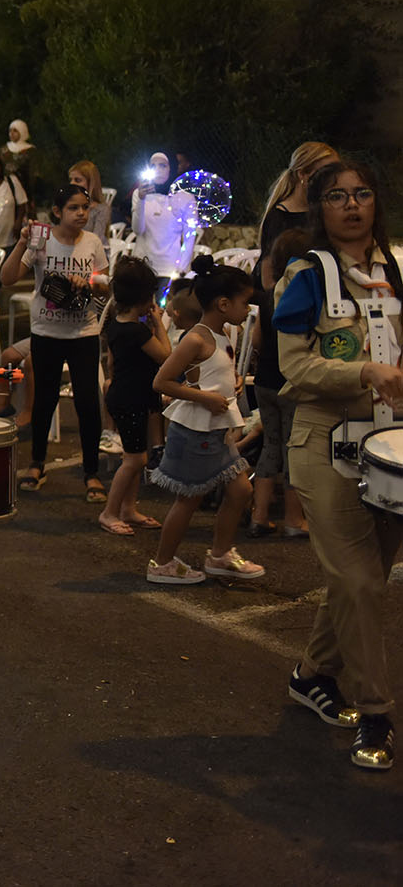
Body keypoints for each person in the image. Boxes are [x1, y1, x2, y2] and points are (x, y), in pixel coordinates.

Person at [272, 160, 401, 770]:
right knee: (360, 580)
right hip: (324, 442)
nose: (352, 206)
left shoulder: (398, 267)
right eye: (338, 197)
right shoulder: (304, 275)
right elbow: (294, 370)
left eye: (363, 194)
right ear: (319, 208)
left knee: (357, 576)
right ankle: (375, 713)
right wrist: (364, 371)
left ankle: (310, 674)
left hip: (393, 446)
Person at [145, 263, 264, 584]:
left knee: (240, 490)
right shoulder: (195, 339)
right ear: (223, 304)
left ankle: (220, 554)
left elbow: (214, 373)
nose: (248, 309)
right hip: (196, 432)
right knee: (189, 499)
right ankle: (163, 562)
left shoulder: (222, 333)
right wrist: (206, 399)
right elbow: (162, 382)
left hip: (215, 432)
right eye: (244, 302)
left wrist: (233, 381)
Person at [2, 185, 110, 497]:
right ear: (58, 212)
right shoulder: (41, 240)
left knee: (88, 403)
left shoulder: (92, 243)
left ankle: (92, 472)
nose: (81, 214)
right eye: (74, 208)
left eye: (85, 208)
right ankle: (37, 464)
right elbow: (8, 279)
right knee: (44, 399)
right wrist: (22, 244)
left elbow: (104, 287)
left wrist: (87, 281)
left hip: (83, 333)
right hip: (46, 332)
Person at [246, 229, 310, 539]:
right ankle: (293, 520)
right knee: (294, 450)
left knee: (271, 445)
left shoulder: (268, 296)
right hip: (292, 384)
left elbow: (257, 340)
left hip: (265, 382)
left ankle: (259, 516)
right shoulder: (306, 293)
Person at [99, 258, 169, 535]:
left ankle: (128, 509)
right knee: (135, 460)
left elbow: (114, 363)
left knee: (136, 453)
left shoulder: (116, 323)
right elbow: (166, 356)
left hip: (127, 396)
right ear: (145, 298)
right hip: (130, 399)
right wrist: (159, 324)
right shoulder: (137, 331)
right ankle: (109, 512)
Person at [258, 141, 338, 289]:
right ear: (303, 174)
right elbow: (268, 280)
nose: (333, 180)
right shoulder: (280, 217)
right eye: (325, 173)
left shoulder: (327, 212)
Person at [130, 153, 199, 279]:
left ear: (172, 168)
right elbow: (137, 230)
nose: (157, 170)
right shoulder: (139, 194)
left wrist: (182, 270)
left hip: (170, 270)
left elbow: (189, 238)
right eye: (153, 166)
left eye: (163, 166)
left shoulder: (185, 198)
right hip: (142, 268)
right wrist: (141, 199)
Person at [68, 161, 110, 242]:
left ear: (91, 183)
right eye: (71, 179)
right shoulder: (67, 206)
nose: (72, 183)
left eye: (77, 180)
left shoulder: (101, 209)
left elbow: (96, 241)